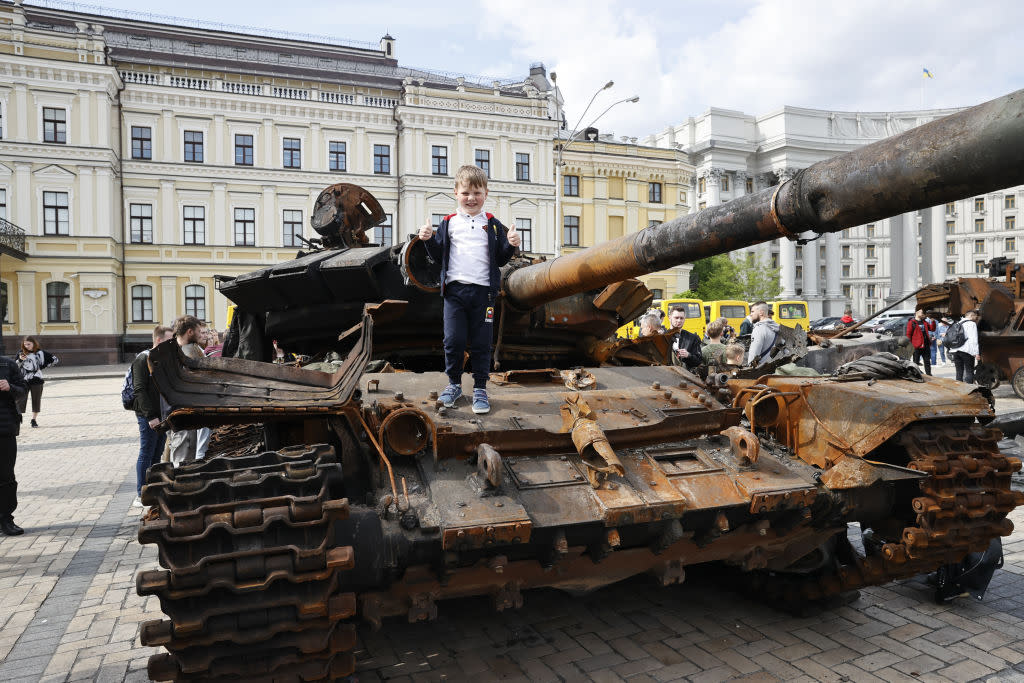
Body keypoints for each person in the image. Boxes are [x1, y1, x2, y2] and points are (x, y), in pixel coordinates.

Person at [419, 164, 520, 415]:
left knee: (482, 343)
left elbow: (499, 259)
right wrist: (429, 239)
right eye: (465, 193)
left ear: (486, 193)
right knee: (452, 341)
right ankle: (454, 384)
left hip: (484, 293)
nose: (471, 198)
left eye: (476, 193)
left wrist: (510, 245)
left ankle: (480, 389)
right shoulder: (448, 223)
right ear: (456, 193)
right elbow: (437, 255)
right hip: (455, 293)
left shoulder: (494, 225)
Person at [131, 325, 173, 507]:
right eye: (169, 340)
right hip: (148, 415)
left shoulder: (161, 358)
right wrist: (150, 416)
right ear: (159, 340)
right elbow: (139, 389)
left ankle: (153, 488)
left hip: (162, 415)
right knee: (146, 452)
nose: (172, 344)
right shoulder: (143, 359)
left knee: (157, 454)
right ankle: (141, 492)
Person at [167, 316, 206, 465]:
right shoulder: (180, 353)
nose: (200, 334)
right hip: (182, 415)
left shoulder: (186, 350)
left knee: (187, 460)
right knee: (182, 463)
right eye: (198, 331)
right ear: (190, 332)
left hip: (188, 415)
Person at [0, 352, 28, 535]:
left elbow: (23, 389)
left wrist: (10, 387)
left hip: (4, 429)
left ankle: (6, 519)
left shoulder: (7, 365)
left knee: (6, 477)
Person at [16, 337, 57, 428]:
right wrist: (20, 360)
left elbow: (55, 360)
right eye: (25, 344)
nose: (27, 346)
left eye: (29, 344)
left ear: (34, 344)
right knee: (20, 400)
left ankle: (33, 420)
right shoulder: (21, 353)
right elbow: (15, 366)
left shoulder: (40, 353)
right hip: (23, 380)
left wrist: (42, 366)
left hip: (37, 380)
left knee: (36, 400)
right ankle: (18, 418)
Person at [949, 310, 980, 383]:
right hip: (967, 351)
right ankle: (970, 390)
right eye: (976, 316)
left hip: (955, 350)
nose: (976, 318)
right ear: (971, 315)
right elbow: (974, 339)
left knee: (959, 372)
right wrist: (976, 353)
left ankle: (959, 390)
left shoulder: (958, 323)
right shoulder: (971, 324)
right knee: (969, 371)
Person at [667, 305, 702, 370]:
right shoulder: (662, 337)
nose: (679, 320)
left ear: (684, 319)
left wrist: (688, 355)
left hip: (685, 376)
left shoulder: (693, 338)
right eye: (676, 318)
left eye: (681, 318)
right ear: (669, 318)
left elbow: (699, 361)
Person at [905, 309, 932, 376]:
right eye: (921, 312)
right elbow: (908, 334)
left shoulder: (924, 322)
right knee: (916, 362)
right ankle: (916, 375)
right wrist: (910, 345)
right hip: (916, 346)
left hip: (926, 345)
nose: (923, 313)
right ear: (916, 312)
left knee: (927, 361)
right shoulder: (911, 322)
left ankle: (929, 374)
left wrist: (933, 321)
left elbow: (932, 328)